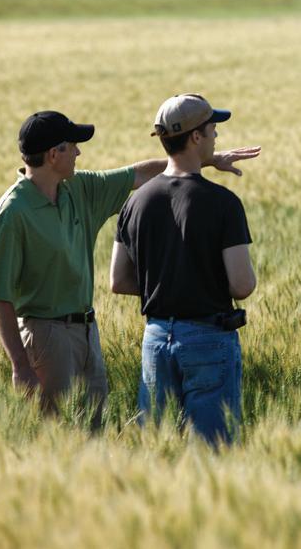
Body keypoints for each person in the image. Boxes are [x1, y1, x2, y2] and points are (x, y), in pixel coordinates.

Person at [0, 109, 259, 430]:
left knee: (93, 432)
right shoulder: (13, 211)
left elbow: (138, 175)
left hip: (87, 331)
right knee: (55, 436)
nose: (79, 153)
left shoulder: (79, 188)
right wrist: (20, 366)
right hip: (46, 336)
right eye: (74, 146)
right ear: (54, 154)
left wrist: (206, 159)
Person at [110, 93, 256, 446]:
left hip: (156, 338)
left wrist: (168, 282)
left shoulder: (135, 202)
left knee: (158, 448)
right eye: (212, 128)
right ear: (195, 136)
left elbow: (119, 280)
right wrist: (198, 281)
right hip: (208, 337)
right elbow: (242, 285)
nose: (216, 135)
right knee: (212, 452)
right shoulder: (223, 203)